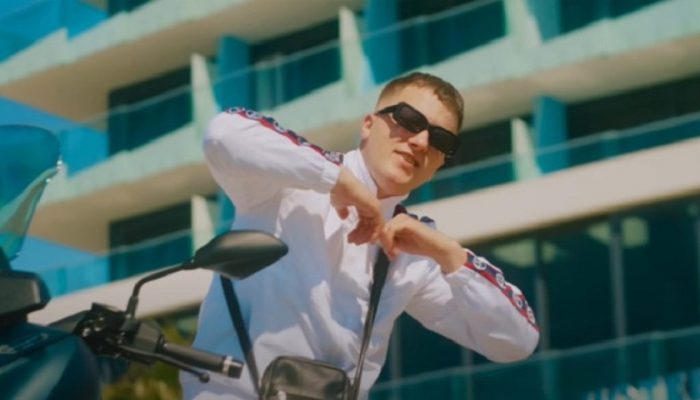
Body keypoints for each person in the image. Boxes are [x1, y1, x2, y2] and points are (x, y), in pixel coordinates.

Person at [182, 72, 539, 399]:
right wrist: (336, 179)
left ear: (440, 163)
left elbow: (516, 342)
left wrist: (449, 255)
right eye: (409, 120)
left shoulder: (414, 252)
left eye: (440, 139)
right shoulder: (286, 186)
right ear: (369, 124)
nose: (421, 141)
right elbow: (223, 132)